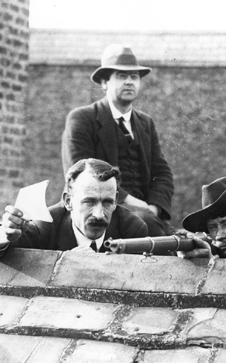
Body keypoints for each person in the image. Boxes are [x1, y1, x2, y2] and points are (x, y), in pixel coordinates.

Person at [61, 44, 174, 236]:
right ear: (104, 83)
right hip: (101, 210)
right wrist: (133, 203)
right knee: (150, 228)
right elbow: (81, 175)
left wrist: (154, 207)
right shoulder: (82, 119)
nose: (129, 82)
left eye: (134, 77)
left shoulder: (145, 123)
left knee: (191, 241)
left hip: (147, 214)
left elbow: (162, 173)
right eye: (121, 76)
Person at [0, 158, 148, 257]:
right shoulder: (45, 226)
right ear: (68, 201)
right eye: (89, 202)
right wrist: (4, 233)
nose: (99, 214)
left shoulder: (133, 229)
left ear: (116, 200)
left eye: (107, 203)